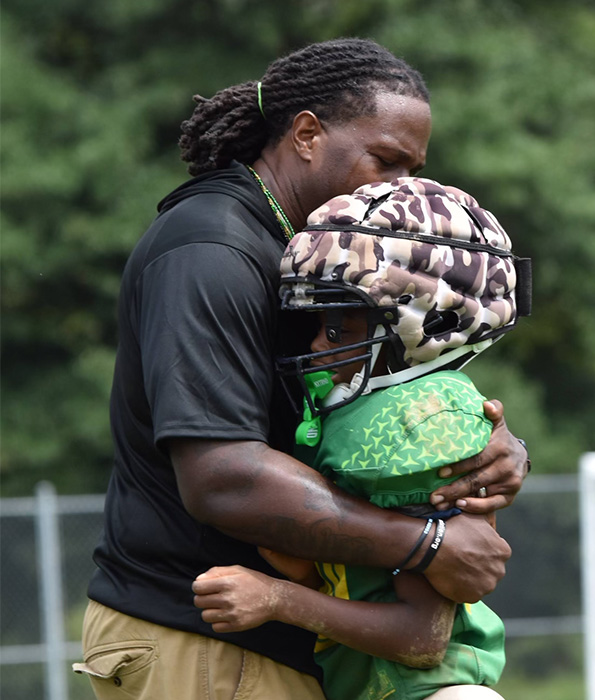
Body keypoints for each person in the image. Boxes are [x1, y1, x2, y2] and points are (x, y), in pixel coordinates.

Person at [73, 38, 530, 700]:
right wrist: (426, 543)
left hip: (281, 643)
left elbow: (371, 394)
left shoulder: (316, 255)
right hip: (199, 638)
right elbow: (223, 478)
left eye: (412, 169)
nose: (399, 187)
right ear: (308, 135)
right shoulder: (212, 248)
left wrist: (486, 444)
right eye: (385, 161)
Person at [192, 177, 532, 700]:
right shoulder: (356, 415)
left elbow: (422, 638)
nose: (313, 344)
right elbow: (322, 565)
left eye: (336, 329)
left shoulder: (419, 424)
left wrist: (276, 598)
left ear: (426, 327)